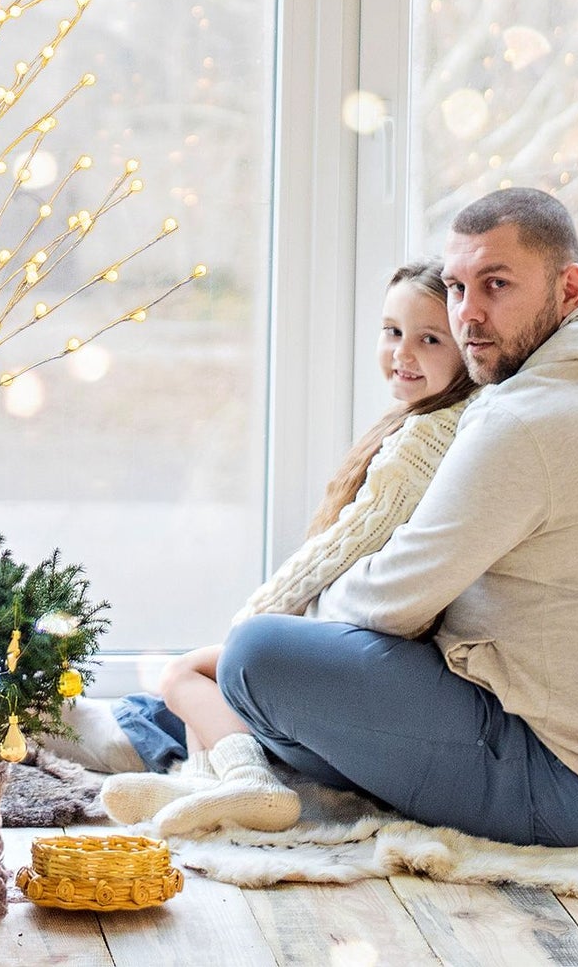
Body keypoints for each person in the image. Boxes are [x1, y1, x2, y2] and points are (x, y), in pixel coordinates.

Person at [216, 188, 578, 847]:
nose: (468, 315)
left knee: (253, 656)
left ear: (568, 286)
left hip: (563, 784)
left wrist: (307, 615)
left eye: (495, 284)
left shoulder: (523, 417)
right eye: (457, 286)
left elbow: (390, 602)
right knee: (300, 689)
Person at [99, 259, 473, 834]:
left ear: (466, 347)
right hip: (378, 635)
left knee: (184, 675)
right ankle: (207, 784)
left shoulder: (427, 437)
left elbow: (343, 545)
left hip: (382, 643)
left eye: (429, 339)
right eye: (392, 331)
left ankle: (243, 784)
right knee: (192, 678)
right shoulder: (437, 420)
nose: (403, 352)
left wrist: (252, 628)